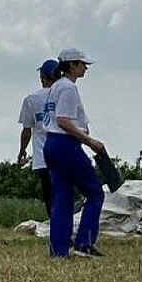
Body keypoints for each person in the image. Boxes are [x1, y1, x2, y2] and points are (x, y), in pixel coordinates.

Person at [42, 48, 106, 258]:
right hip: (65, 144)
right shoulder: (69, 88)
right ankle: (84, 243)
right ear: (71, 65)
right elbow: (63, 120)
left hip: (51, 144)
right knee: (95, 192)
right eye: (82, 64)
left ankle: (59, 249)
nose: (85, 68)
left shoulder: (56, 87)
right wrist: (89, 140)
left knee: (62, 197)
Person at [17, 59, 59, 219]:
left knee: (49, 195)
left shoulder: (32, 100)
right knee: (65, 194)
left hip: (43, 158)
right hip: (64, 155)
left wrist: (22, 151)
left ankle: (56, 227)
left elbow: (26, 131)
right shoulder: (65, 94)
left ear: (42, 77)